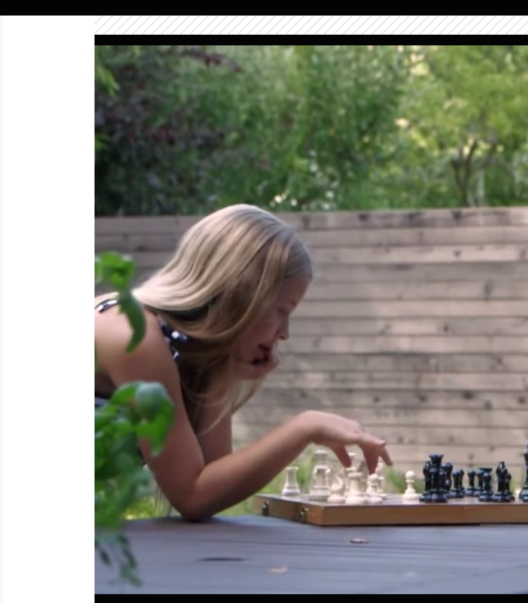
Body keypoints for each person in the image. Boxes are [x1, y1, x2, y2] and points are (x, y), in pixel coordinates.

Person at [95, 203, 391, 521]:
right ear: (242, 295)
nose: (285, 333)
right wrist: (305, 427)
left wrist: (221, 370)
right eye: (282, 310)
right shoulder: (133, 335)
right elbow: (193, 495)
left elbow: (212, 479)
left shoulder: (171, 347)